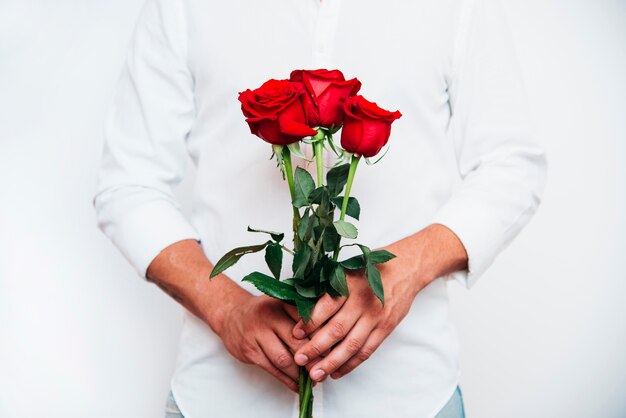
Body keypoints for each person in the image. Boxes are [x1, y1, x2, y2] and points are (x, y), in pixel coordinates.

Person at [93, 0, 547, 416]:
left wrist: (405, 269)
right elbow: (129, 184)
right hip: (220, 399)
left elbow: (511, 166)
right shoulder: (183, 8)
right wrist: (224, 306)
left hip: (410, 397)